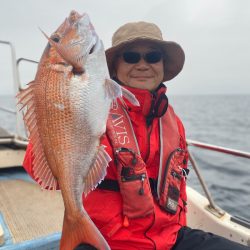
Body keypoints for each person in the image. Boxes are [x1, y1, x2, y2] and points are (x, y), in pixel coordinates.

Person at [23, 21, 249, 250]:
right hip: (108, 241)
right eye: (131, 56)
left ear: (162, 64)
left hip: (170, 239)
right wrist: (50, 104)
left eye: (152, 57)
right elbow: (39, 169)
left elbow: (178, 186)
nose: (142, 65)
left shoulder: (174, 122)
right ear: (114, 65)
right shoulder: (96, 107)